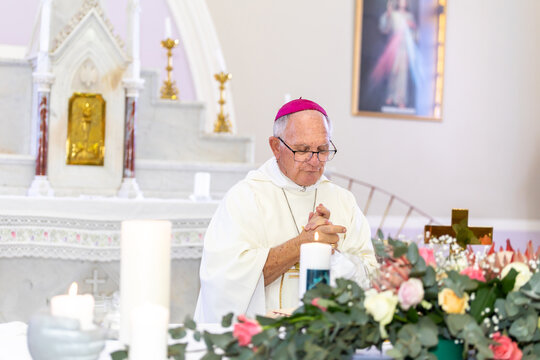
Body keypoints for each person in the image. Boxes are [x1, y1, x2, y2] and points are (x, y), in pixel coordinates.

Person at [194, 98, 377, 323]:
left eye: (322, 149)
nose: (314, 161)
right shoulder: (246, 198)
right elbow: (224, 282)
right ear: (275, 147)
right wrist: (302, 244)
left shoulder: (343, 201)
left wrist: (333, 254)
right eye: (302, 150)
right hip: (264, 343)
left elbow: (370, 279)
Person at [371, 0, 418, 109]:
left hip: (404, 48)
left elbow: (414, 35)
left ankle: (401, 99)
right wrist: (388, 15)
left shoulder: (409, 16)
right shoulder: (393, 15)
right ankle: (391, 96)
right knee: (393, 72)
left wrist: (412, 28)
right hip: (393, 47)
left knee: (402, 75)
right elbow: (385, 28)